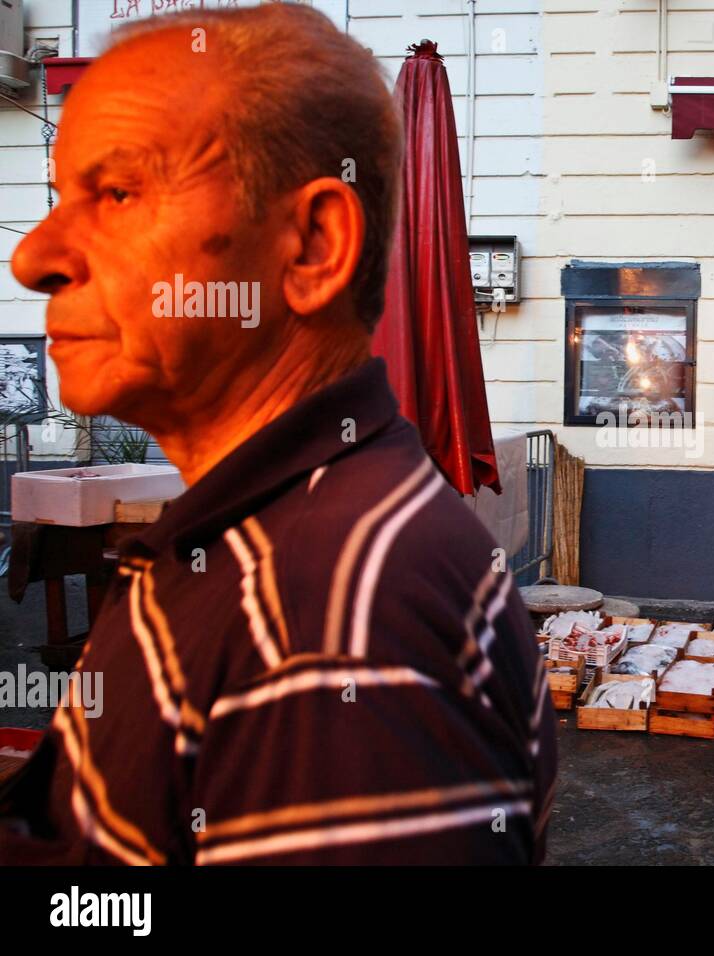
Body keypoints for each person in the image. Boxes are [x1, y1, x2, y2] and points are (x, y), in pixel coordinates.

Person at [1, 5, 556, 864]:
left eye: (115, 195)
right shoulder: (289, 551)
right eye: (56, 198)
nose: (34, 255)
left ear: (311, 247)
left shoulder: (325, 621)